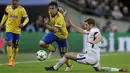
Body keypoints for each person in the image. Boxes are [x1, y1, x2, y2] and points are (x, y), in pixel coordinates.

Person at [44, 18, 128, 72]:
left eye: (86, 25)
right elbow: (82, 31)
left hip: (89, 57)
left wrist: (94, 42)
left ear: (91, 25)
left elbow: (100, 37)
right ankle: (119, 70)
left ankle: (55, 68)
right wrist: (72, 25)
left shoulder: (94, 31)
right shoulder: (92, 30)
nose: (85, 26)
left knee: (67, 55)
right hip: (95, 57)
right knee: (100, 69)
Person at [39, 2, 72, 71]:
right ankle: (53, 49)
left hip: (62, 36)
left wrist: (46, 25)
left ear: (56, 9)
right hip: (54, 34)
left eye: (53, 8)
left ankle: (69, 66)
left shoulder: (59, 18)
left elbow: (55, 30)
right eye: (50, 8)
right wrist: (63, 13)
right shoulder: (51, 12)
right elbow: (61, 9)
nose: (51, 10)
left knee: (63, 56)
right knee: (41, 43)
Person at [0, 0, 29, 66]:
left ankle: (13, 59)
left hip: (17, 30)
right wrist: (1, 23)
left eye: (16, 0)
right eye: (13, 0)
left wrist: (23, 24)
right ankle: (10, 60)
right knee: (9, 43)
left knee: (15, 46)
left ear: (18, 1)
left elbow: (27, 19)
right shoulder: (8, 8)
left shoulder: (22, 9)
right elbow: (5, 16)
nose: (14, 2)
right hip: (9, 29)